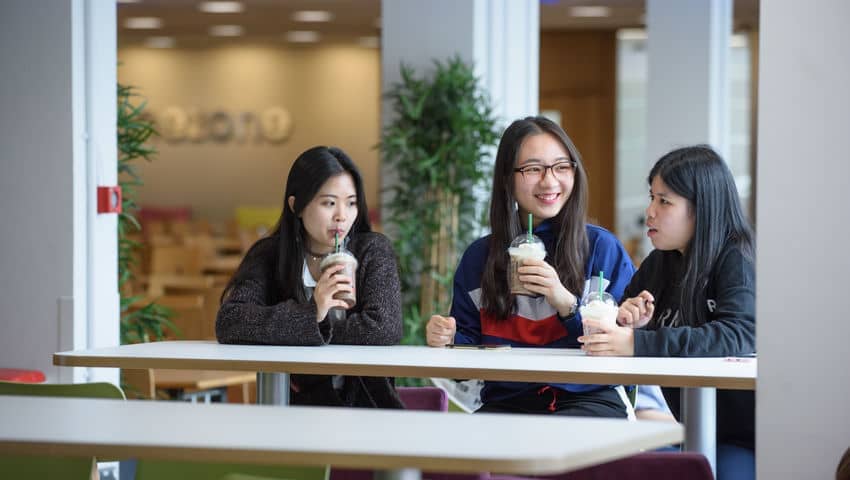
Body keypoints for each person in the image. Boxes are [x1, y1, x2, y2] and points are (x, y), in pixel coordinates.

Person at [426, 116, 635, 418]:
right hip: (508, 404)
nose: (549, 181)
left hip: (589, 399)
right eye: (533, 169)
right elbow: (465, 364)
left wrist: (565, 303)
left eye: (561, 167)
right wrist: (448, 340)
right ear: (507, 178)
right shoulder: (479, 258)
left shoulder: (602, 249)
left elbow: (620, 349)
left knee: (554, 440)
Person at [579, 145, 756, 479]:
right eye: (652, 197)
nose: (650, 211)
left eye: (664, 201)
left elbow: (740, 334)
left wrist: (637, 343)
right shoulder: (661, 262)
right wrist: (627, 320)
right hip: (688, 428)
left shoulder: (736, 258)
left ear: (701, 208)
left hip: (744, 436)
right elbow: (625, 325)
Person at [216, 146, 404, 409]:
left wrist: (312, 328)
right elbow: (231, 321)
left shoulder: (372, 250)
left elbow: (384, 327)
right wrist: (312, 313)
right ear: (297, 206)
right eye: (329, 203)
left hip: (367, 410)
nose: (342, 216)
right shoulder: (269, 254)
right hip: (290, 409)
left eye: (351, 203)